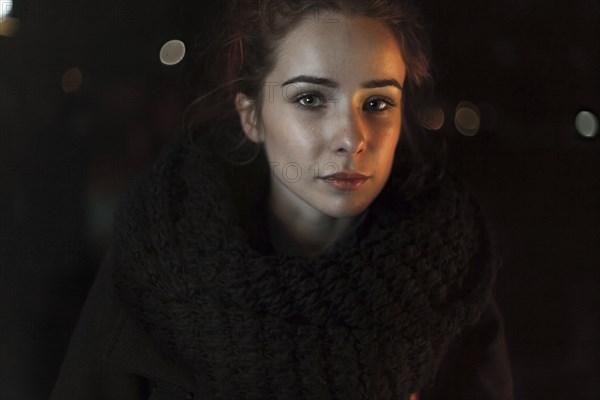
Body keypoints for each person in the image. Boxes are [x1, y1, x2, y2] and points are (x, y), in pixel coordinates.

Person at [51, 1, 514, 399]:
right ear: (251, 116)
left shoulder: (448, 272)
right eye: (311, 99)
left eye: (377, 104)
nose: (351, 138)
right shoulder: (158, 256)